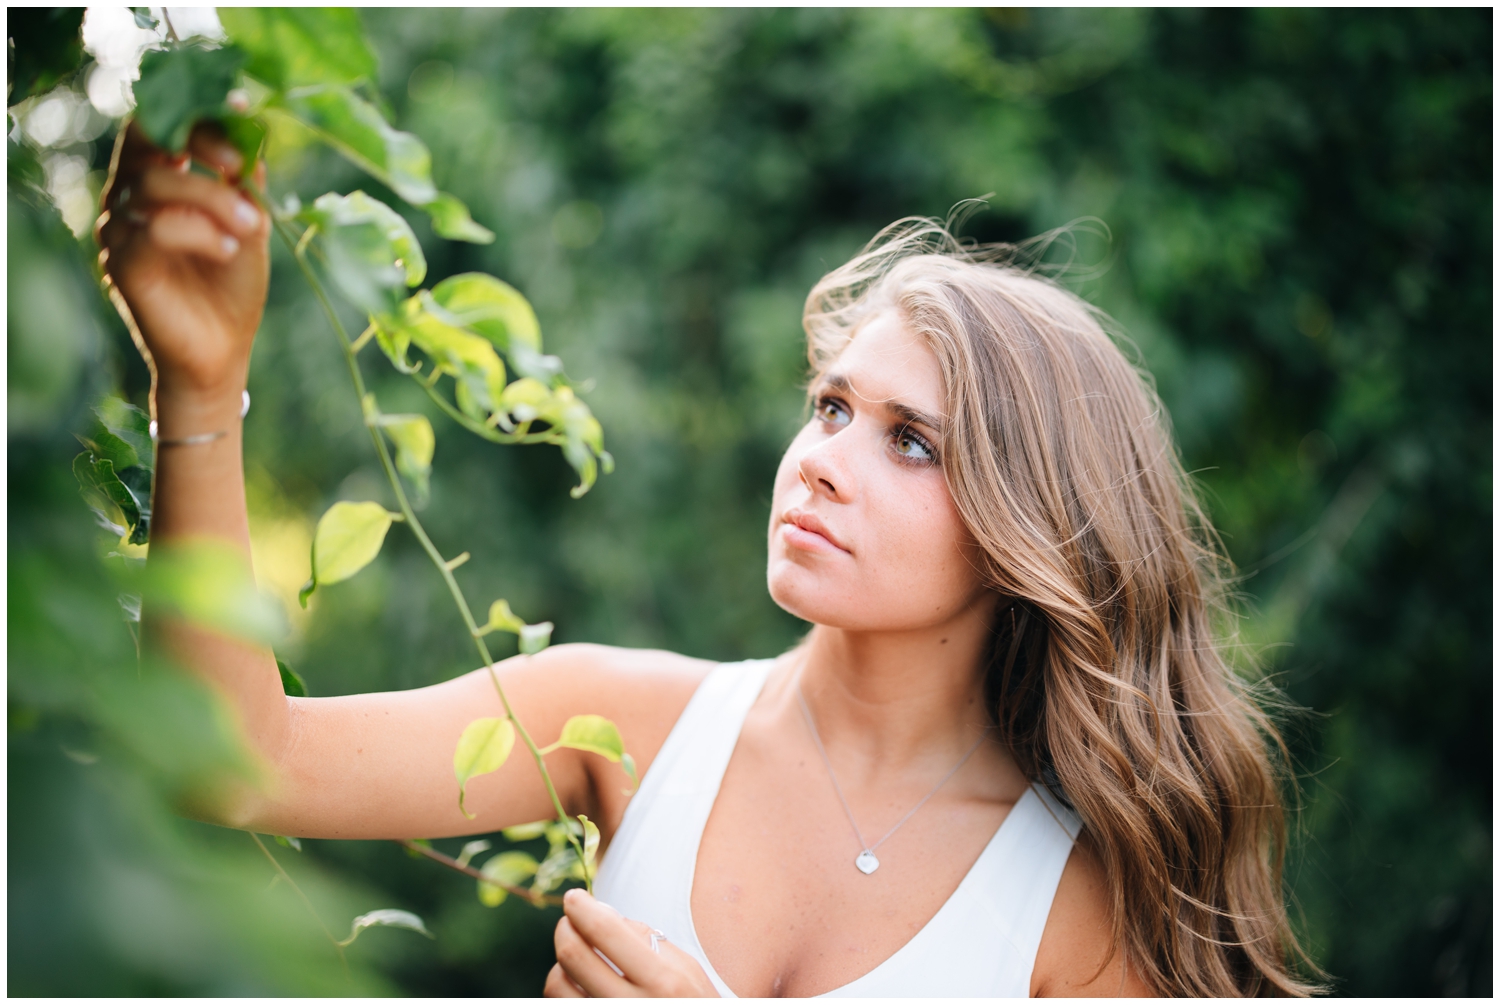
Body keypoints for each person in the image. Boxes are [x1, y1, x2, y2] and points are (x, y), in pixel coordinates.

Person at [95, 123, 1319, 998]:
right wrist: (200, 385)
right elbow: (235, 764)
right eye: (833, 408)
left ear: (1030, 528)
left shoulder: (1074, 909)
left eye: (911, 443)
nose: (827, 459)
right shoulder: (615, 724)